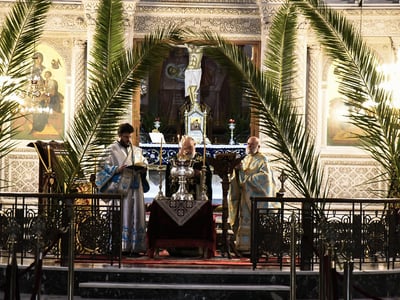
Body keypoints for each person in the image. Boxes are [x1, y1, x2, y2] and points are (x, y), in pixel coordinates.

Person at [97, 123, 148, 256]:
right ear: (119, 135)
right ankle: (119, 246)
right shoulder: (111, 149)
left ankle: (135, 246)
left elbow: (143, 162)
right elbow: (101, 165)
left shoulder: (136, 150)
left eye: (130, 137)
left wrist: (143, 168)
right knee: (122, 215)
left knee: (136, 214)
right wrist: (116, 169)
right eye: (125, 137)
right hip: (120, 189)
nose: (128, 139)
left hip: (136, 188)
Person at [228, 136, 276, 255]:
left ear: (258, 147)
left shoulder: (263, 160)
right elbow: (239, 178)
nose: (249, 146)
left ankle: (255, 247)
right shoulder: (245, 159)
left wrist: (247, 181)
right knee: (243, 220)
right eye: (248, 144)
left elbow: (266, 179)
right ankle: (242, 247)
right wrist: (237, 170)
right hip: (244, 198)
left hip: (253, 197)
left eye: (252, 145)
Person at [165, 135, 212, 201]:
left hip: (196, 197)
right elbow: (169, 178)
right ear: (180, 148)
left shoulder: (201, 161)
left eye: (190, 147)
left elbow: (207, 176)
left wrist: (200, 174)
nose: (187, 151)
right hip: (177, 197)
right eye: (184, 148)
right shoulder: (173, 160)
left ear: (194, 146)